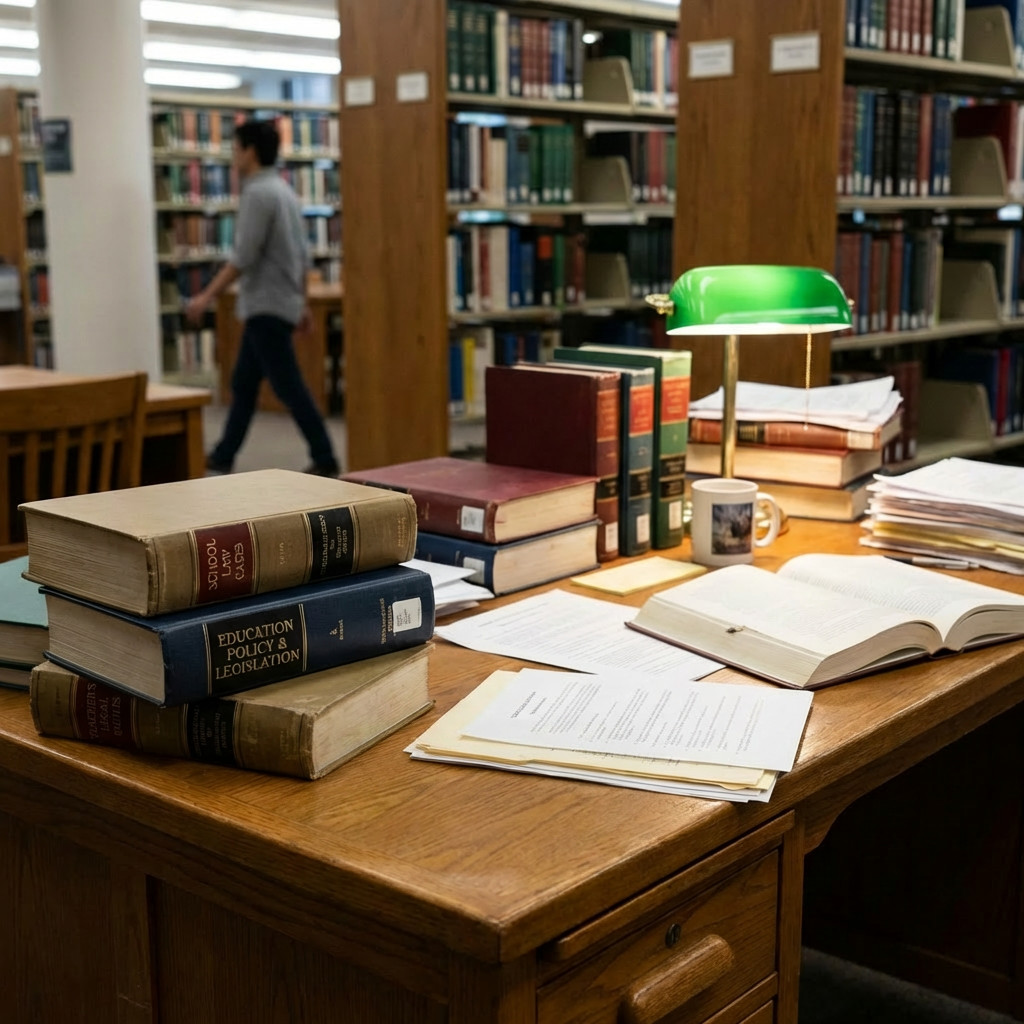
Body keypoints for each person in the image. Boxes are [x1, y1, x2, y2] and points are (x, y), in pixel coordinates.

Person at [186, 118, 339, 476]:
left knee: (288, 386)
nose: (232, 155)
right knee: (244, 383)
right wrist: (301, 302)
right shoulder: (285, 191)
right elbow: (302, 254)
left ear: (250, 151)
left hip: (266, 303)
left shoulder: (257, 193)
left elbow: (244, 256)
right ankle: (224, 453)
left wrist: (206, 296)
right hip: (280, 300)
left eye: (236, 147)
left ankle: (326, 455)